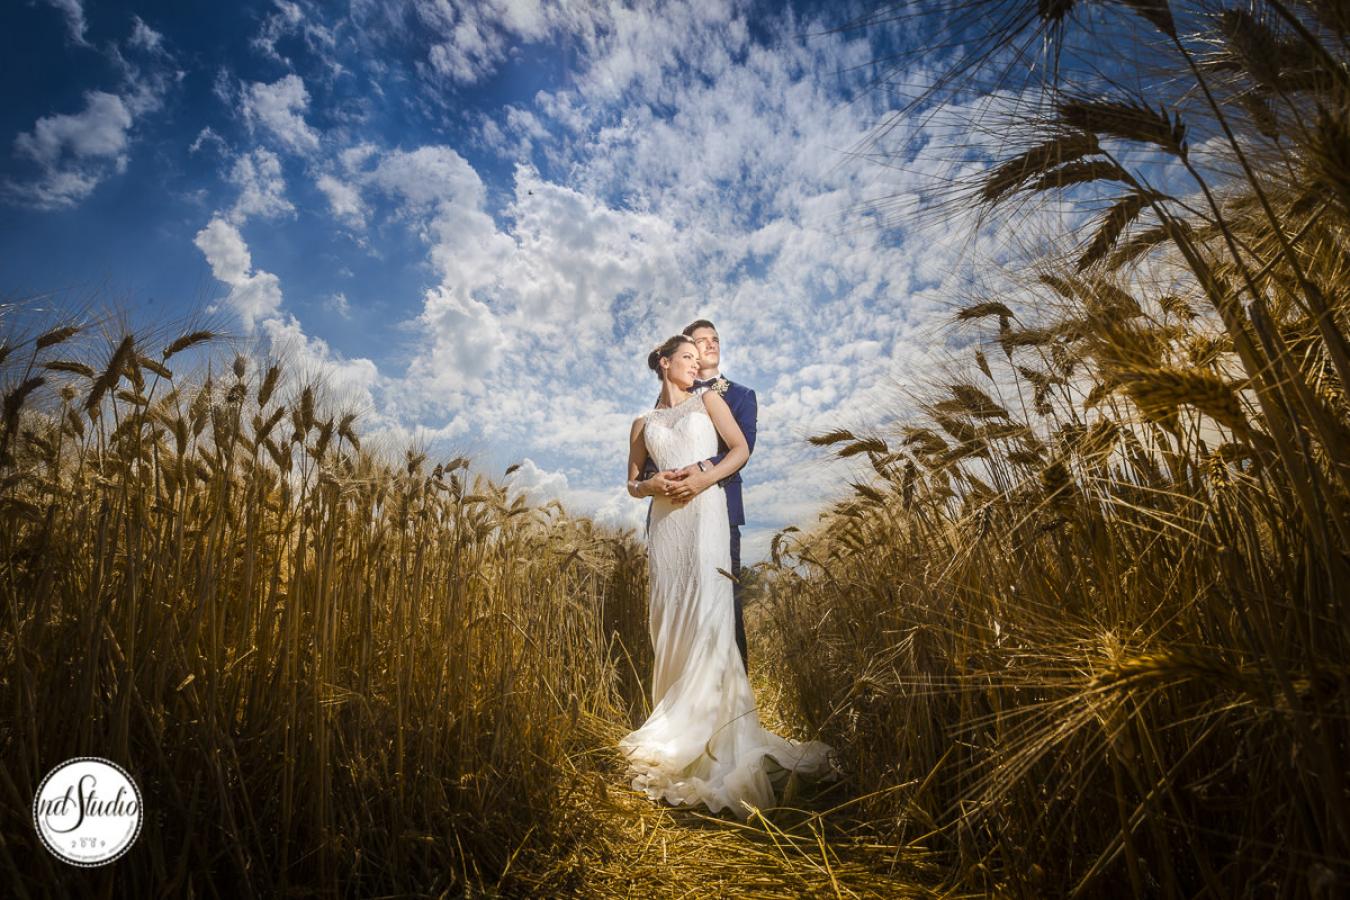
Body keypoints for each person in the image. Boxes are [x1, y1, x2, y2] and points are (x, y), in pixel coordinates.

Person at [621, 334, 834, 820]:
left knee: (709, 611)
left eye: (701, 358)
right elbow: (632, 483)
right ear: (663, 361)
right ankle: (675, 721)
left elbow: (738, 450)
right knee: (670, 613)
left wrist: (702, 478)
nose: (697, 364)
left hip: (705, 511)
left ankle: (715, 733)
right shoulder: (642, 422)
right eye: (688, 357)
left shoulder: (709, 399)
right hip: (666, 522)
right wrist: (650, 484)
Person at [638, 319, 756, 673]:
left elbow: (743, 447)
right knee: (673, 602)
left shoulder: (738, 395)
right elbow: (649, 463)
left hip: (718, 508)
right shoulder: (661, 408)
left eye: (714, 339)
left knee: (724, 604)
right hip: (670, 513)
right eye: (700, 341)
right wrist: (655, 482)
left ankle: (731, 700)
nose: (710, 345)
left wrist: (702, 470)